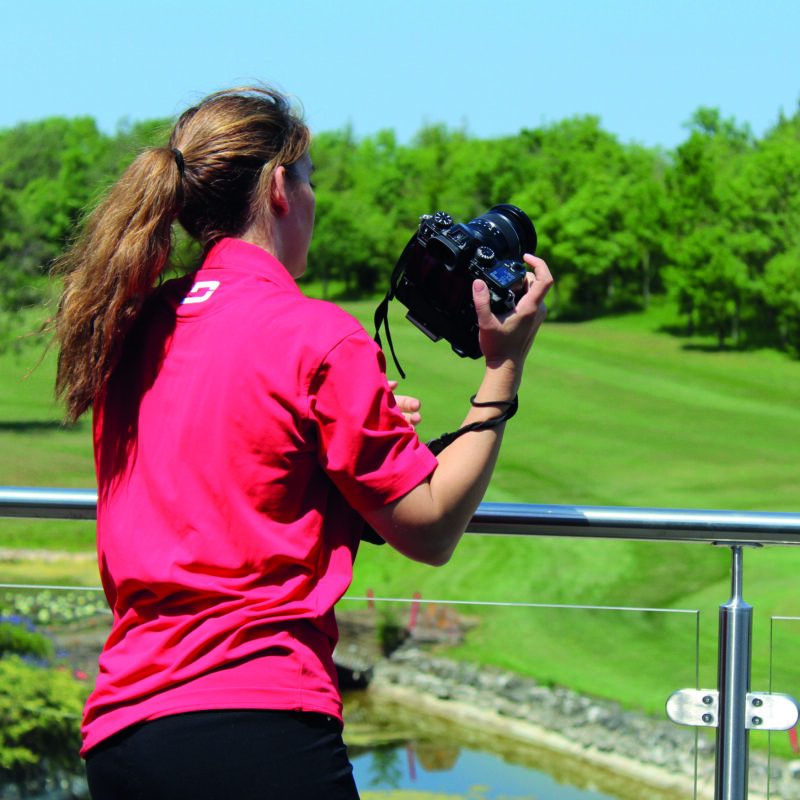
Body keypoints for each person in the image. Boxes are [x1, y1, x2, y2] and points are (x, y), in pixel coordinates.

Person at [51, 86, 552, 800]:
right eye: (310, 178)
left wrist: (336, 458)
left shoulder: (135, 330)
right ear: (280, 188)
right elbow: (431, 527)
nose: (315, 198)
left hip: (125, 733)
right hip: (255, 726)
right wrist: (504, 366)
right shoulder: (316, 335)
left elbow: (231, 480)